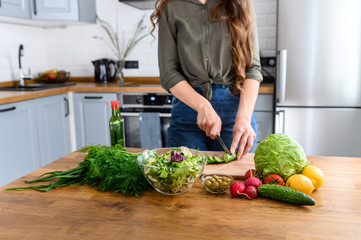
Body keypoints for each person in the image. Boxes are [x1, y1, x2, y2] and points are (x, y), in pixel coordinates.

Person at [151, 0, 263, 160]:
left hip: (236, 112)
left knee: (234, 181)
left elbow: (252, 69)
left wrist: (244, 118)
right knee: (183, 179)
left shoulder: (241, 3)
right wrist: (202, 106)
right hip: (187, 110)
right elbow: (169, 73)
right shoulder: (171, 7)